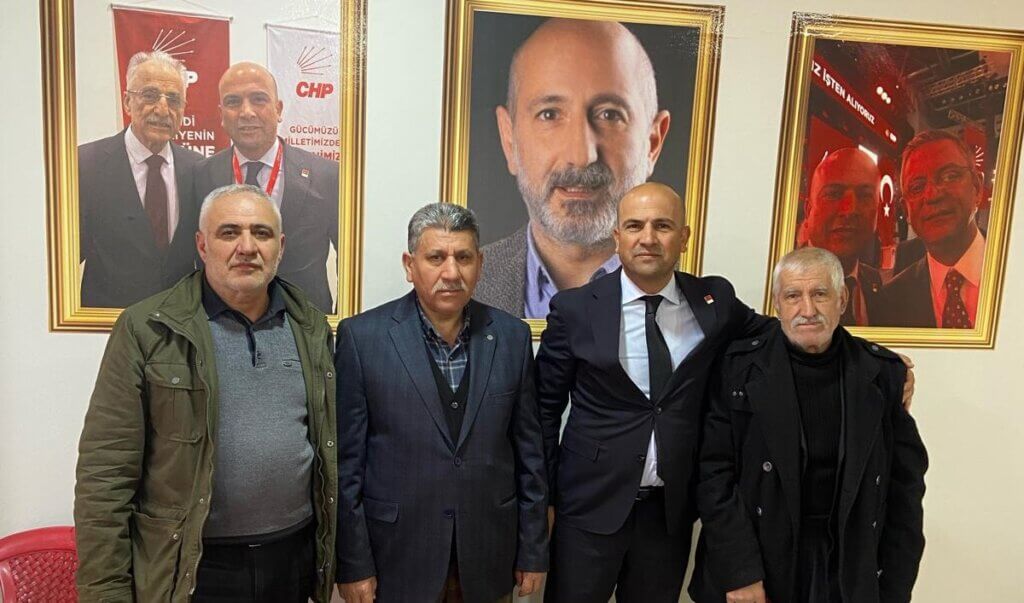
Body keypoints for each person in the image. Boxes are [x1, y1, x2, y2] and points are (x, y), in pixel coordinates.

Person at [74, 184, 338, 602]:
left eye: (262, 233)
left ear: (281, 247)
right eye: (229, 232)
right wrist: (105, 592)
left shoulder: (311, 327)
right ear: (201, 244)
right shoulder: (148, 330)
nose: (247, 247)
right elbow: (105, 473)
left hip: (292, 561)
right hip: (192, 567)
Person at [536, 182, 773, 602]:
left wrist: (865, 356)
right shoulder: (575, 309)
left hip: (668, 515)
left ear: (684, 237)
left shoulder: (714, 301)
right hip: (586, 508)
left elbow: (775, 334)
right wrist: (544, 501)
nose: (647, 238)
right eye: (634, 226)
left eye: (662, 226)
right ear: (617, 237)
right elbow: (542, 412)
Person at [335, 203, 548, 602]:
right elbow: (346, 466)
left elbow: (530, 457)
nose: (451, 272)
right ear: (409, 265)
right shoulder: (362, 339)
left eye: (463, 258)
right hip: (397, 556)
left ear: (480, 265)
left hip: (488, 554)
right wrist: (353, 563)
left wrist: (534, 551)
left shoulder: (512, 338)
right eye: (436, 258)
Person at [689, 247, 927, 603]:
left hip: (848, 567)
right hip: (759, 565)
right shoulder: (737, 369)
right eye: (793, 296)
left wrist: (894, 587)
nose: (808, 309)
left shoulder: (882, 373)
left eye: (820, 294)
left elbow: (905, 492)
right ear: (776, 305)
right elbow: (713, 476)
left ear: (842, 300)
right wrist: (740, 572)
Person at [475, 18, 672, 319]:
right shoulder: (463, 288)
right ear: (509, 139)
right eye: (549, 114)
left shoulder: (706, 304)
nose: (581, 157)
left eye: (610, 114)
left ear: (653, 143)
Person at [195, 61, 339, 314]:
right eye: (233, 102)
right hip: (223, 320)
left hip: (304, 322)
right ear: (221, 114)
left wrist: (341, 322)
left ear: (278, 109)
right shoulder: (201, 175)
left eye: (258, 99)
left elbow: (349, 260)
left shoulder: (327, 175)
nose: (246, 112)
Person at [78, 50, 203, 308]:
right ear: (127, 102)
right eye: (150, 95)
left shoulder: (198, 170)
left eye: (174, 99)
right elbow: (62, 257)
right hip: (108, 322)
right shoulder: (84, 164)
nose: (162, 109)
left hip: (177, 322)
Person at [875, 130, 986, 328]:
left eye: (950, 176)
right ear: (906, 211)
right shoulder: (890, 301)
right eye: (917, 187)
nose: (933, 194)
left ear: (977, 188)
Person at [803, 148, 884, 326]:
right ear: (808, 211)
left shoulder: (874, 282)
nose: (850, 210)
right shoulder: (780, 279)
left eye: (864, 196)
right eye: (833, 194)